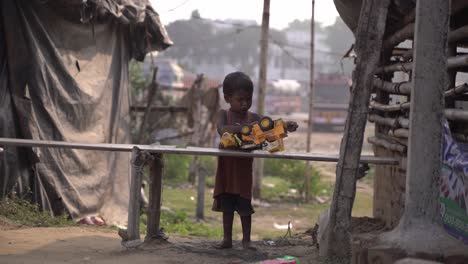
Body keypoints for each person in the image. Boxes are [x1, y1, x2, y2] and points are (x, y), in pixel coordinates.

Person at [212, 71, 298, 250]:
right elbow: (222, 130)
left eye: (248, 99)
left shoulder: (254, 118)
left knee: (244, 204)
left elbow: (271, 127)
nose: (244, 104)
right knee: (227, 206)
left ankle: (246, 240)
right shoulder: (223, 114)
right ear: (228, 98)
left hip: (244, 170)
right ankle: (227, 239)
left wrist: (286, 125)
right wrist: (244, 129)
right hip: (226, 169)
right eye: (240, 99)